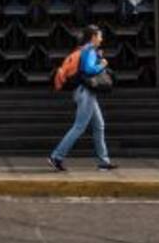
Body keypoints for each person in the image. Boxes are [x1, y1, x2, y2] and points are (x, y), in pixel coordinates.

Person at [48, 24, 118, 171]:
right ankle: (56, 157)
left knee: (99, 125)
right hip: (86, 93)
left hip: (85, 92)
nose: (101, 39)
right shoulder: (89, 50)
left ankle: (104, 162)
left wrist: (98, 59)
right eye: (99, 36)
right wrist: (102, 64)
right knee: (79, 126)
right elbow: (88, 69)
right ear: (93, 37)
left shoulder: (83, 49)